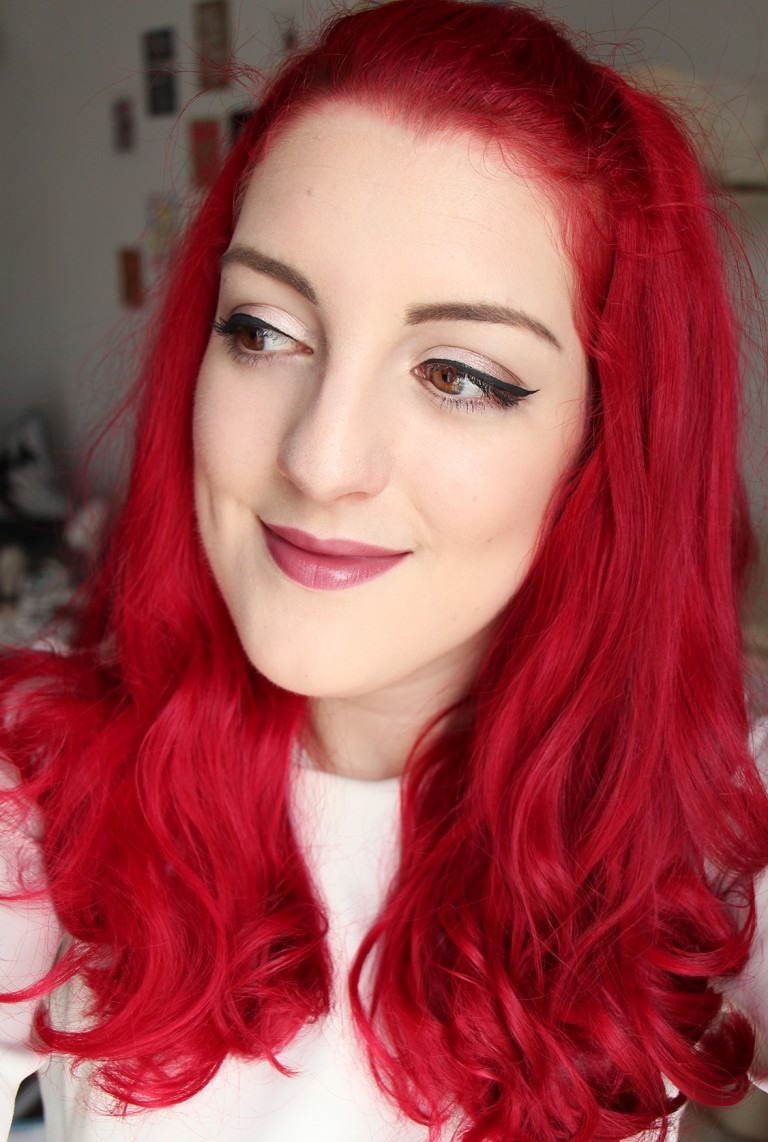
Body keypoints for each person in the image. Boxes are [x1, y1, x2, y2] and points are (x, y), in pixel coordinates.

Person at [2, 1, 768, 1139]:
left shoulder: (712, 827)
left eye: (458, 374)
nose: (320, 460)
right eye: (263, 330)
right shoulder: (39, 791)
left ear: (605, 449)